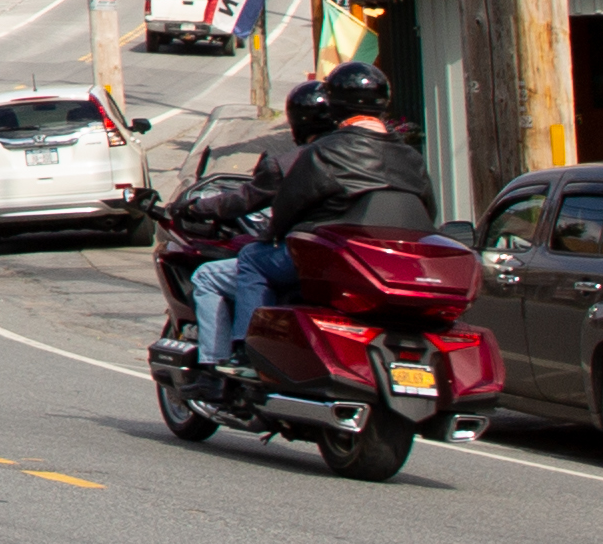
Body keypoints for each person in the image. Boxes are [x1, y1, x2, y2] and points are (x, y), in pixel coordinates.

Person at [182, 65, 440, 368]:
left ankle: (246, 351)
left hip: (334, 260)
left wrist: (273, 235)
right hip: (394, 265)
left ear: (334, 105)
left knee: (253, 256)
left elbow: (288, 209)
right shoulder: (411, 157)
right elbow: (429, 212)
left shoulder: (323, 152)